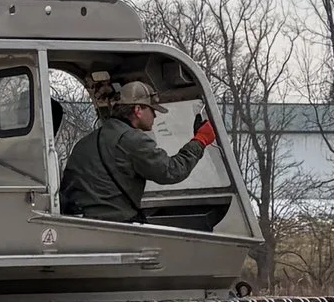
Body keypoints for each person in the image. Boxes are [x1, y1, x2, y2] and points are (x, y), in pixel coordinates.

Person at [60, 79, 219, 220]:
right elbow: (171, 171)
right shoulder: (132, 140)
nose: (155, 116)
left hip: (82, 221)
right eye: (153, 110)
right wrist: (200, 140)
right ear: (138, 110)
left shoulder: (87, 141)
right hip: (115, 225)